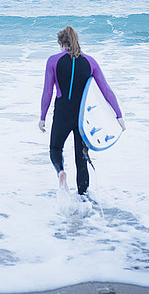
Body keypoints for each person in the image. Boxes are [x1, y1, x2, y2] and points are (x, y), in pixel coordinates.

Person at [39, 26, 125, 196]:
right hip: (83, 117)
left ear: (60, 43)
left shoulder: (53, 61)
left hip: (62, 113)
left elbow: (47, 92)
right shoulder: (90, 62)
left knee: (55, 148)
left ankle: (61, 172)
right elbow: (106, 91)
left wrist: (42, 117)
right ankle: (83, 199)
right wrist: (119, 115)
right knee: (82, 158)